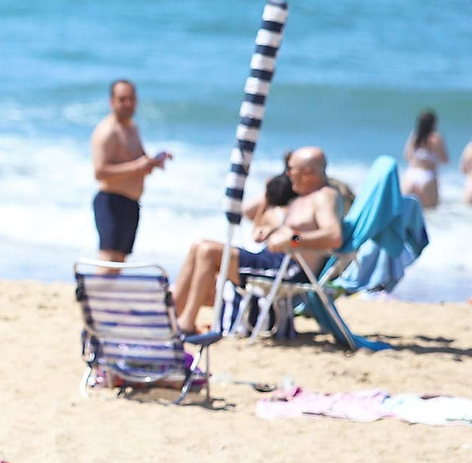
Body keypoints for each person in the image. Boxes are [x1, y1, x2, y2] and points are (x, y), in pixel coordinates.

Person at [171, 146, 342, 334]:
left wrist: (292, 239)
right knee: (198, 245)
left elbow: (333, 237)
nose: (288, 174)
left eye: (291, 169)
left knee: (207, 251)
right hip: (274, 261)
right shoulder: (306, 197)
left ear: (308, 173)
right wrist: (274, 230)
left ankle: (185, 324)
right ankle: (172, 317)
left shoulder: (324, 196)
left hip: (288, 269)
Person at [90, 80, 170, 263]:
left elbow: (140, 162)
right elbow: (100, 172)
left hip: (131, 203)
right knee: (108, 261)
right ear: (112, 102)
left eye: (132, 99)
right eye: (122, 99)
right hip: (111, 202)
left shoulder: (132, 128)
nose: (128, 104)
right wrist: (137, 166)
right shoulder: (107, 131)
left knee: (120, 262)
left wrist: (155, 161)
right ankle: (96, 292)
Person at [402, 109, 448, 209]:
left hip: (411, 175)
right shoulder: (436, 138)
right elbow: (445, 160)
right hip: (427, 176)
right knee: (431, 212)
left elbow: (407, 155)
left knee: (409, 211)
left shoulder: (414, 136)